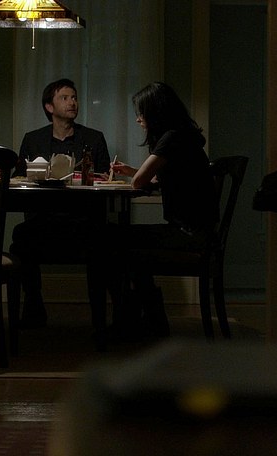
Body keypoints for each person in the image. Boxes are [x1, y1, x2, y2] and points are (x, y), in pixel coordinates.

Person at [87, 82, 218, 342]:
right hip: (197, 229)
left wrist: (135, 175)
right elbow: (158, 179)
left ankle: (130, 320)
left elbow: (139, 183)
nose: (138, 119)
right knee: (119, 240)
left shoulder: (172, 137)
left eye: (142, 113)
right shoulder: (184, 137)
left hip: (188, 234)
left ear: (157, 112)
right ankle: (147, 319)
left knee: (107, 241)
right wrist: (131, 170)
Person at [11, 78, 112, 328]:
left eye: (74, 97)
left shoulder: (93, 138)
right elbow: (19, 177)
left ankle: (100, 318)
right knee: (20, 237)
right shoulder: (33, 139)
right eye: (65, 98)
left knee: (103, 239)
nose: (72, 102)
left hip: (83, 221)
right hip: (42, 220)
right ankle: (33, 305)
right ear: (49, 106)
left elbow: (105, 179)